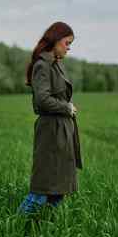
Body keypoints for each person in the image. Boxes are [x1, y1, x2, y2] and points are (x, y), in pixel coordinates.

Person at [17, 21, 83, 217]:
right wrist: (67, 107)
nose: (68, 48)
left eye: (70, 44)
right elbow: (43, 100)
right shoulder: (42, 65)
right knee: (42, 189)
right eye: (66, 43)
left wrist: (66, 111)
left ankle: (43, 231)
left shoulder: (56, 65)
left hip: (62, 132)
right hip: (51, 133)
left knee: (58, 190)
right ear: (55, 41)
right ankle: (16, 227)